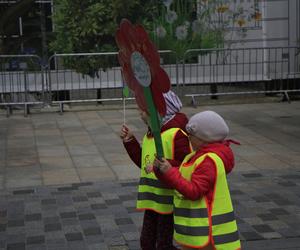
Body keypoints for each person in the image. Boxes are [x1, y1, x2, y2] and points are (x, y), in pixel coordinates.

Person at [153, 110, 241, 250]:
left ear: (203, 139)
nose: (188, 139)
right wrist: (163, 169)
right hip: (198, 230)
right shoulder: (195, 156)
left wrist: (169, 171)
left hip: (209, 233)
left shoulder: (209, 161)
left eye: (191, 136)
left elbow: (194, 191)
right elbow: (181, 176)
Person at [120, 90, 191, 250]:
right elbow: (144, 163)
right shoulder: (151, 135)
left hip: (169, 202)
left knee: (163, 245)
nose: (140, 113)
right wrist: (130, 141)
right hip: (153, 200)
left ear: (158, 111)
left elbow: (187, 164)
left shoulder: (176, 134)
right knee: (146, 242)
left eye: (143, 109)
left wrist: (161, 166)